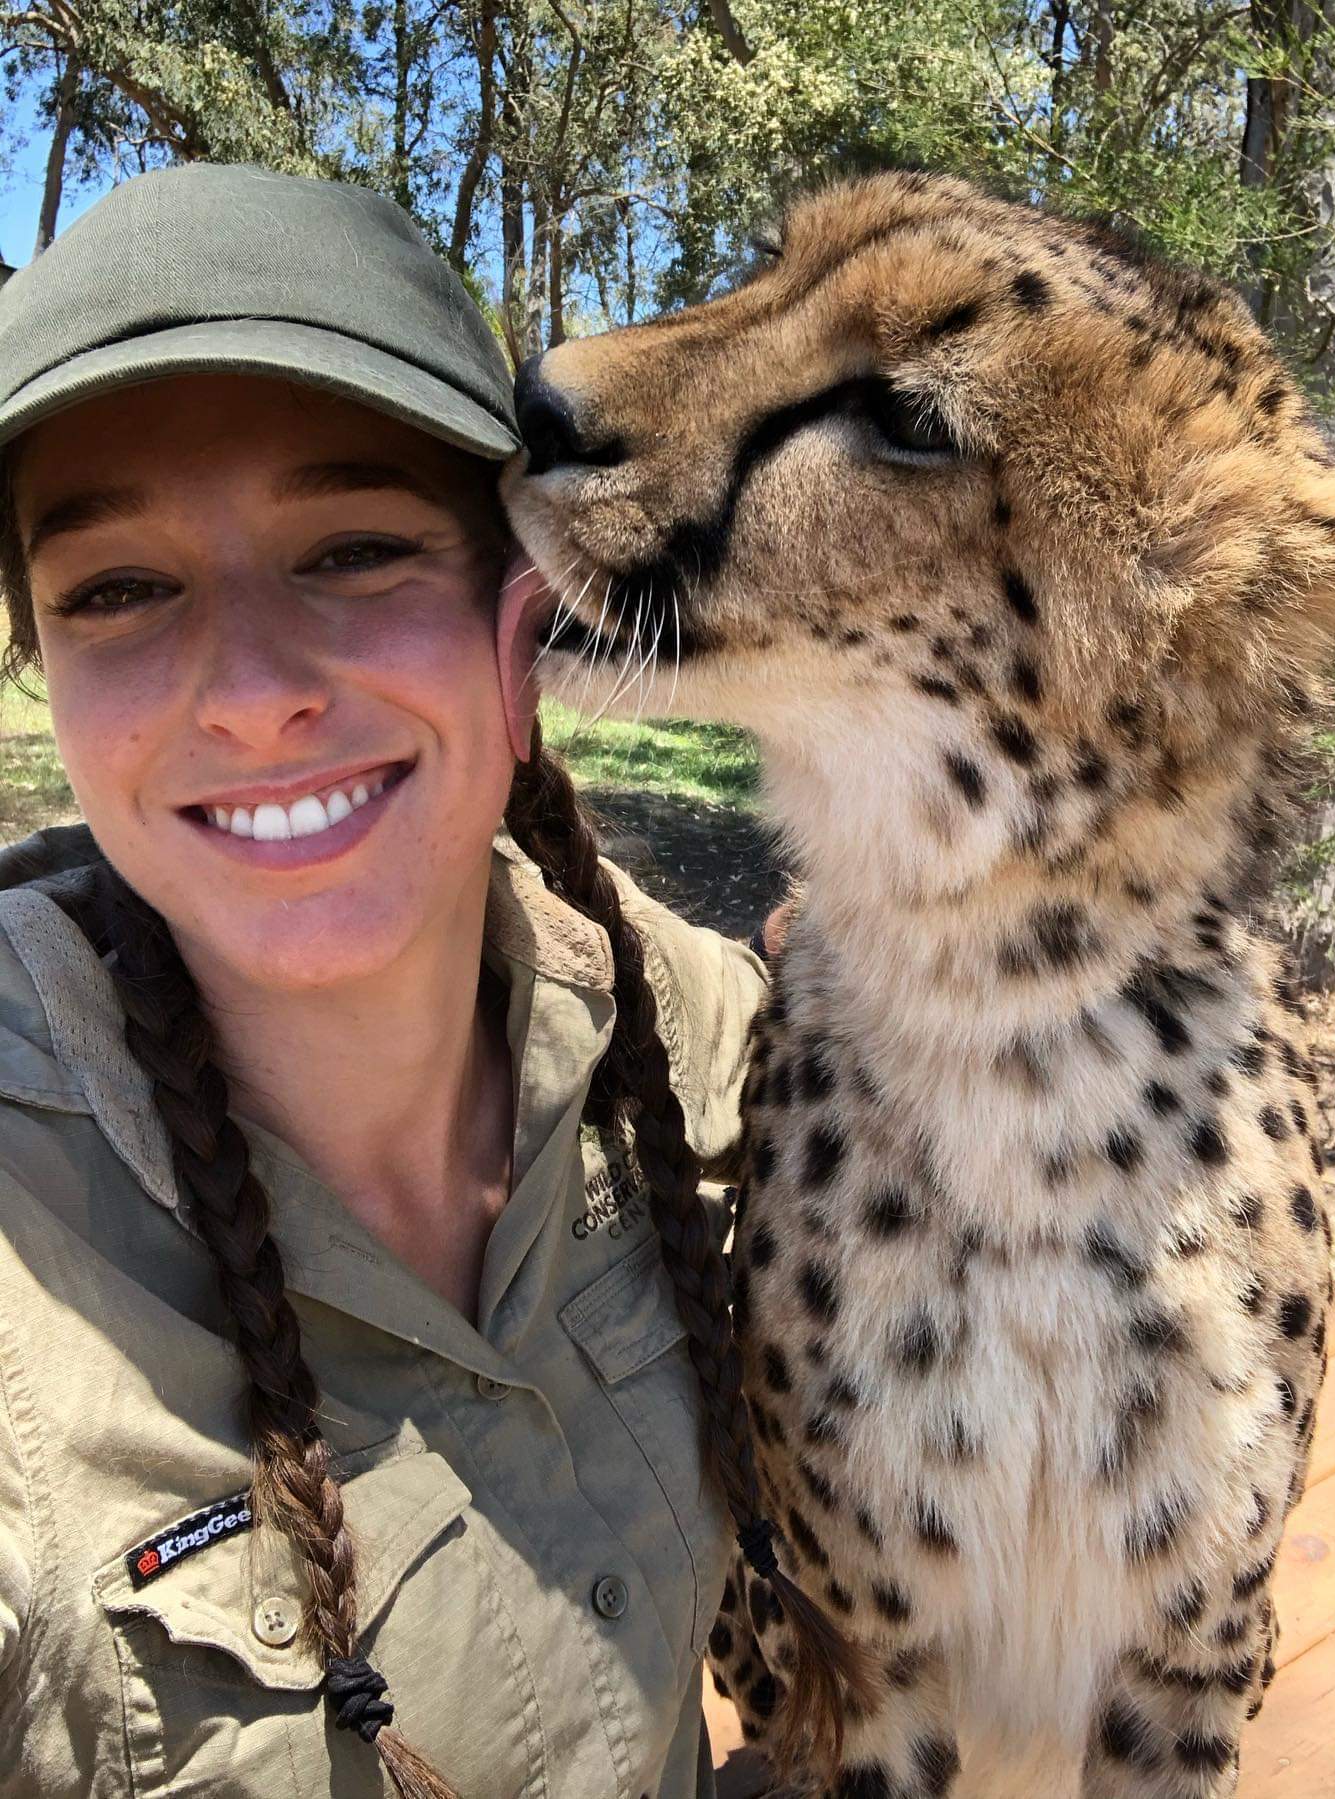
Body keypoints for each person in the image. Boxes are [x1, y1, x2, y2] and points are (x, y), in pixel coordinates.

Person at [0, 162, 829, 1799]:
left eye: (353, 551)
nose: (246, 695)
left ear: (525, 634)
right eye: (118, 590)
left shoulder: (702, 1040)